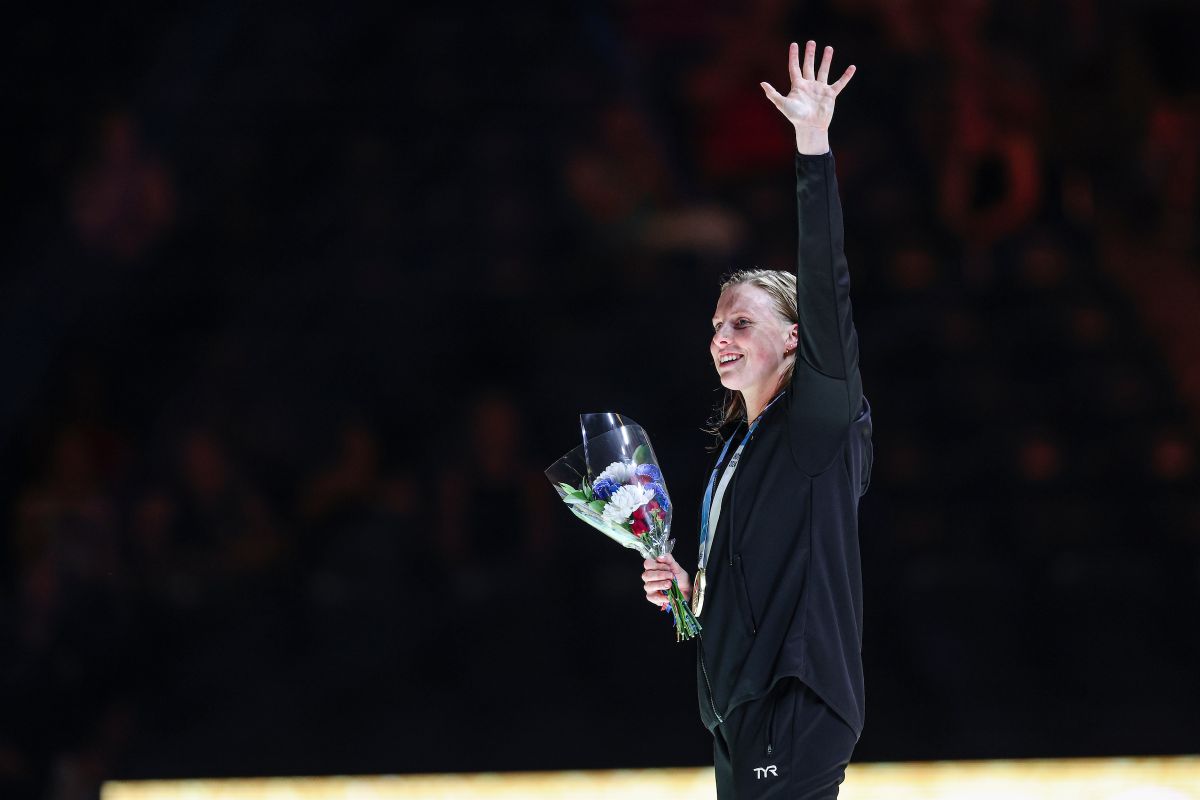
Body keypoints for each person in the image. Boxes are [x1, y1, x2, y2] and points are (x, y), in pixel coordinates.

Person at [641, 41, 872, 799]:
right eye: (715, 326)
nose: (720, 338)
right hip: (738, 701)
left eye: (741, 323)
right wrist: (689, 588)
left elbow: (828, 284)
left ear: (794, 341)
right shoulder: (742, 446)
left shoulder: (817, 427)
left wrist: (813, 143)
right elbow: (757, 577)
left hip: (793, 697)